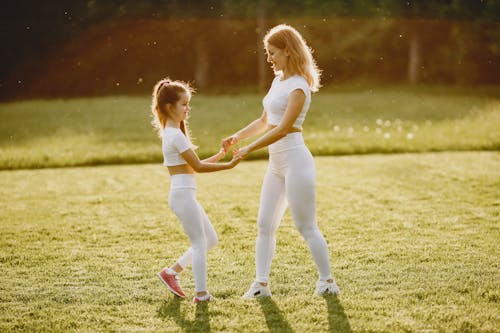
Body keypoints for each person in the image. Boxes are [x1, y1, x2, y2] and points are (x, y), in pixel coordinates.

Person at [222, 24, 340, 298]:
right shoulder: (278, 80)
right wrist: (237, 137)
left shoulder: (299, 87)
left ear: (288, 51)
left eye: (272, 52)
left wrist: (249, 150)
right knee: (264, 225)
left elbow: (283, 128)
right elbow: (266, 121)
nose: (269, 58)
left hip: (296, 162)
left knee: (305, 226)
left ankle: (327, 282)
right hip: (276, 165)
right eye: (267, 52)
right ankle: (261, 285)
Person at [152, 78, 240, 303]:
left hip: (184, 195)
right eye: (184, 104)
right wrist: (229, 165)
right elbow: (199, 167)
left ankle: (171, 273)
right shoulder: (175, 135)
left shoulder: (173, 134)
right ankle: (201, 295)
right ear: (170, 107)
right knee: (200, 243)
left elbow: (193, 164)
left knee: (210, 239)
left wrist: (222, 155)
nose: (187, 109)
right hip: (182, 196)